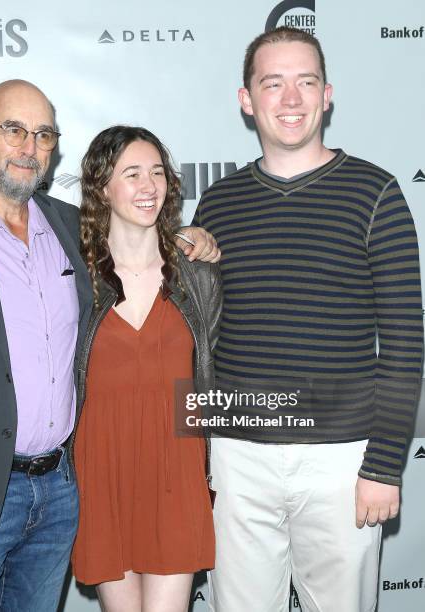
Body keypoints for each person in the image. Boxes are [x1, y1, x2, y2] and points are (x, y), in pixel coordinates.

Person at [0, 80, 218, 611]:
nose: (30, 146)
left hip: (58, 494)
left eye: (44, 134)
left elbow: (140, 240)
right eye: (14, 130)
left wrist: (189, 235)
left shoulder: (70, 229)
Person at [192, 27, 423, 612]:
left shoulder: (377, 194)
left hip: (343, 460)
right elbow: (197, 337)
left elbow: (404, 342)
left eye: (305, 82)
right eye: (273, 83)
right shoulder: (217, 203)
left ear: (327, 95)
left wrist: (384, 466)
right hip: (237, 454)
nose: (290, 99)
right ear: (246, 99)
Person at [70, 125, 221, 612]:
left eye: (157, 172)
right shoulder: (74, 276)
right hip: (102, 473)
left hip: (176, 472)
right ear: (102, 188)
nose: (148, 185)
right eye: (131, 173)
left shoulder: (197, 274)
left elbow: (211, 372)